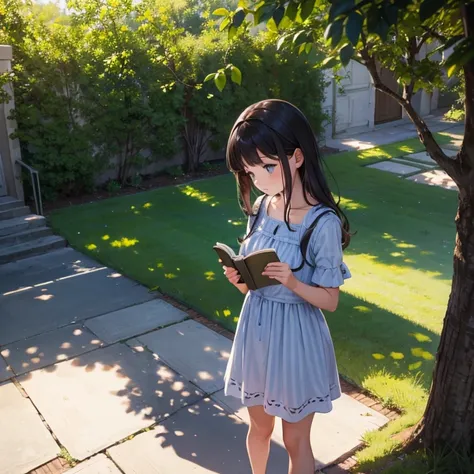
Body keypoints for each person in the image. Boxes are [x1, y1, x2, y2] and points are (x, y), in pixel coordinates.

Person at [220, 99, 351, 474]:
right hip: (256, 333)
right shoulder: (262, 208)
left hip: (295, 340)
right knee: (258, 428)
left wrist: (292, 281)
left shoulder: (321, 223)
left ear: (296, 157)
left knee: (295, 440)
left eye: (267, 167)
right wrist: (241, 281)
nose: (258, 179)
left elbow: (330, 301)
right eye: (249, 170)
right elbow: (257, 288)